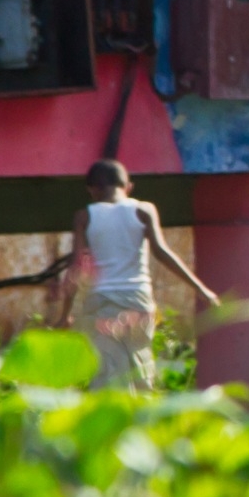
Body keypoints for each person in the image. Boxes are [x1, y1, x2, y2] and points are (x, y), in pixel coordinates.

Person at [65, 158, 220, 392]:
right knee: (140, 366)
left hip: (101, 302)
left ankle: (110, 424)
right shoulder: (143, 210)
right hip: (138, 301)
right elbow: (162, 252)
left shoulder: (84, 216)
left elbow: (79, 266)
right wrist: (201, 288)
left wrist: (65, 313)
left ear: (92, 189)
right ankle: (144, 420)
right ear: (128, 187)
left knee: (106, 371)